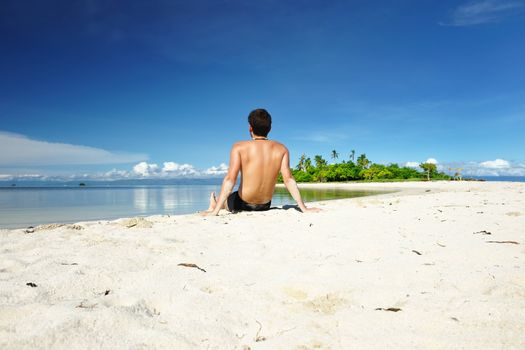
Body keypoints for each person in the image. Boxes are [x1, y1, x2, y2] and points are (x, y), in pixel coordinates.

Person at [202, 108, 321, 216]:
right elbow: (288, 179)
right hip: (265, 205)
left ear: (250, 128)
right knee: (232, 196)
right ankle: (216, 204)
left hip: (242, 203)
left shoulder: (239, 147)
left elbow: (230, 179)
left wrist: (215, 212)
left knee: (229, 198)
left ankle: (215, 205)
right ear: (270, 128)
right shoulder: (282, 149)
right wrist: (303, 208)